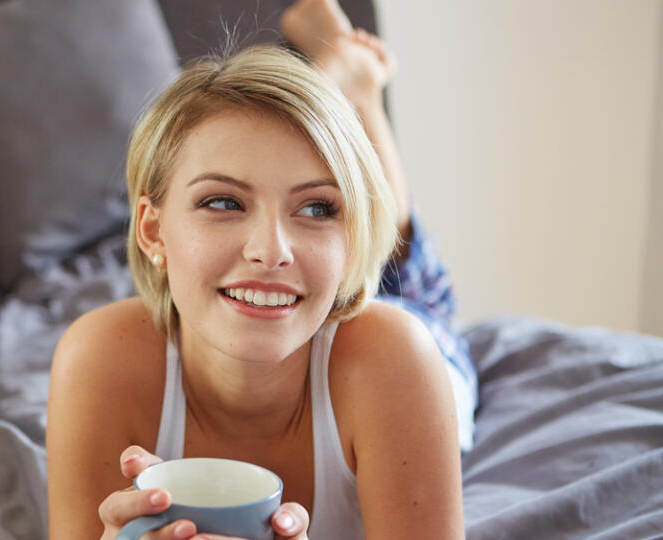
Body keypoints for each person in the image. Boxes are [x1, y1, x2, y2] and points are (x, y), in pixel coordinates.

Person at [47, 0, 478, 538]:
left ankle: (357, 88)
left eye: (318, 207)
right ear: (153, 231)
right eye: (224, 202)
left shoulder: (399, 359)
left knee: (408, 272)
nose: (270, 251)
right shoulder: (97, 357)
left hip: (394, 321)